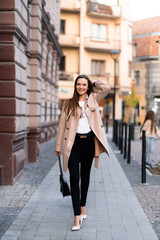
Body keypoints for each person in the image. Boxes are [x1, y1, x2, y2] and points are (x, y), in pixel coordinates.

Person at [55, 74, 110, 231]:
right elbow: (61, 127)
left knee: (85, 176)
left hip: (89, 144)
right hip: (73, 144)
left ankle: (83, 204)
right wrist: (58, 146)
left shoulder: (93, 99)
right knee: (74, 178)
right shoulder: (68, 104)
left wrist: (93, 83)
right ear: (75, 86)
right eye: (78, 84)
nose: (81, 87)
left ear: (88, 86)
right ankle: (77, 216)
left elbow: (107, 88)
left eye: (84, 84)